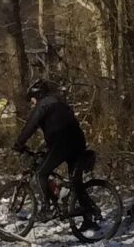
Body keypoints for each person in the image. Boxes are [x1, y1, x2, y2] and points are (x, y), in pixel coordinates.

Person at [15, 77, 100, 230]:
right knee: (76, 183)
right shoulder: (59, 103)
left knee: (40, 173)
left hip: (63, 142)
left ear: (38, 95)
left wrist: (19, 143)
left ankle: (47, 208)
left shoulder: (44, 104)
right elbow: (56, 127)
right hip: (77, 141)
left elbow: (31, 125)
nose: (32, 103)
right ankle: (89, 216)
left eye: (32, 99)